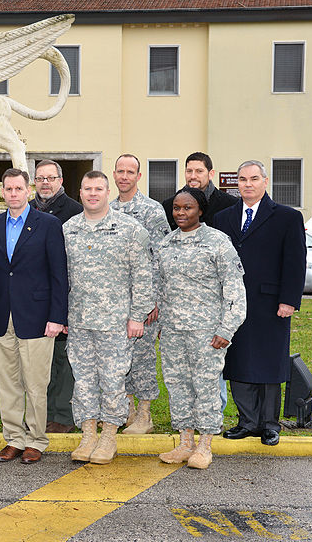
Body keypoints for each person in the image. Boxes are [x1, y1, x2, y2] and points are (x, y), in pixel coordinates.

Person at [213, 160, 306, 447]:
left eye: (254, 178)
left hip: (271, 303)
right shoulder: (223, 218)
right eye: (242, 179)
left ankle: (268, 424)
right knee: (239, 360)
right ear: (236, 183)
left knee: (268, 362)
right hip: (233, 304)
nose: (248, 184)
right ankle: (246, 421)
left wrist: (288, 300)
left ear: (265, 182)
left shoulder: (286, 217)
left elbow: (295, 262)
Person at [63, 171, 153, 465]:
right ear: (80, 192)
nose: (92, 194)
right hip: (79, 321)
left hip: (116, 322)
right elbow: (60, 276)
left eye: (98, 189)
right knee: (84, 381)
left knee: (113, 381)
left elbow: (142, 275)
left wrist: (137, 316)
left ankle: (109, 436)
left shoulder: (129, 229)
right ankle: (88, 434)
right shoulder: (68, 229)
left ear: (107, 191)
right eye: (87, 189)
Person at [0, 168, 68, 465]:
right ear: (2, 192)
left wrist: (57, 316)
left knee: (35, 383)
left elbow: (59, 274)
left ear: (28, 191)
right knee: (7, 383)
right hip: (2, 315)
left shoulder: (47, 224)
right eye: (8, 189)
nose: (14, 194)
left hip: (37, 316)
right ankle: (14, 439)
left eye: (19, 189)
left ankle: (35, 440)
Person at [157, 187, 246, 469]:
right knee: (177, 385)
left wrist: (226, 329)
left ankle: (205, 445)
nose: (181, 213)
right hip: (172, 331)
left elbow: (234, 289)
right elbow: (159, 288)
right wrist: (160, 323)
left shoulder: (217, 242)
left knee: (205, 386)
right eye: (177, 208)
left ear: (201, 210)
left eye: (188, 208)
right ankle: (185, 443)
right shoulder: (166, 244)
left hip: (206, 332)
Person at [110, 154, 170, 434]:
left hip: (143, 299)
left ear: (138, 176)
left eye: (130, 172)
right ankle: (129, 411)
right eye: (120, 171)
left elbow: (161, 256)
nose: (124, 176)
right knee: (120, 357)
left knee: (143, 357)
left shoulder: (152, 211)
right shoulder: (107, 209)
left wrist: (154, 299)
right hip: (113, 300)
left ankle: (145, 415)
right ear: (113, 174)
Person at [29, 159, 82, 434]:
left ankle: (62, 416)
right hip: (36, 297)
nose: (45, 183)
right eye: (40, 178)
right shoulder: (27, 210)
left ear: (60, 181)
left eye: (50, 178)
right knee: (42, 359)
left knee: (63, 358)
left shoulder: (74, 211)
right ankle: (44, 413)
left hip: (65, 294)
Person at [162, 152, 239, 229]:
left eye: (199, 171)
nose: (193, 176)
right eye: (189, 171)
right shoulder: (169, 205)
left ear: (211, 174)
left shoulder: (230, 205)